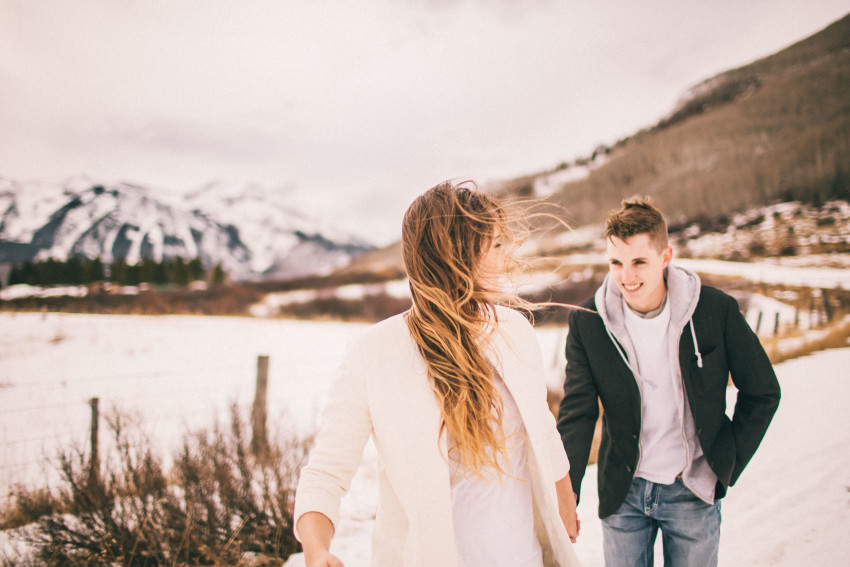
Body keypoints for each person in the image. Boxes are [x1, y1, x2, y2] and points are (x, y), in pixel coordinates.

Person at [293, 181, 583, 567]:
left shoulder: (515, 330)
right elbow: (327, 471)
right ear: (456, 256)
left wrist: (563, 494)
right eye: (494, 245)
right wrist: (316, 550)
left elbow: (542, 425)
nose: (506, 257)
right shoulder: (374, 352)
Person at [557, 197, 781, 566]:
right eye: (616, 263)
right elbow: (577, 415)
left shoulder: (714, 311)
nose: (626, 277)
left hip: (692, 490)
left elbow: (762, 392)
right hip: (623, 495)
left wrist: (724, 461)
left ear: (665, 257)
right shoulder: (588, 322)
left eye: (639, 262)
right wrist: (567, 495)